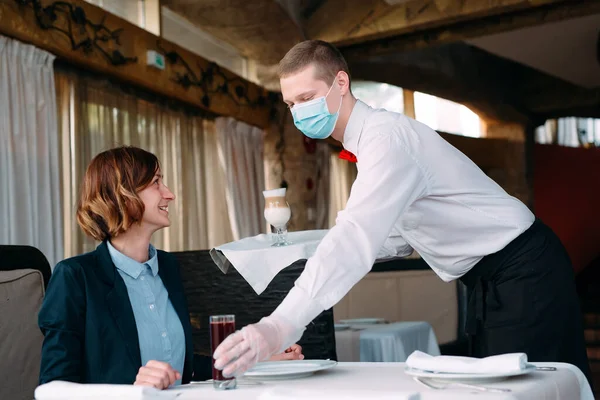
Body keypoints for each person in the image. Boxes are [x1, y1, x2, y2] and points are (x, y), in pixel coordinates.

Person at [213, 39, 592, 385]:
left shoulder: (386, 138)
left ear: (340, 83)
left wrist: (278, 327)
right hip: (494, 279)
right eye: (291, 104)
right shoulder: (372, 145)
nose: (298, 112)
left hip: (524, 271)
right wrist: (306, 246)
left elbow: (356, 238)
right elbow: (392, 240)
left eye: (307, 97)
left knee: (531, 391)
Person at [38, 146, 303, 389]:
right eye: (156, 183)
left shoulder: (167, 267)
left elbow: (183, 371)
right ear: (123, 195)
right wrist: (131, 391)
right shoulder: (75, 277)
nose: (170, 194)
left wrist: (260, 360)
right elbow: (54, 387)